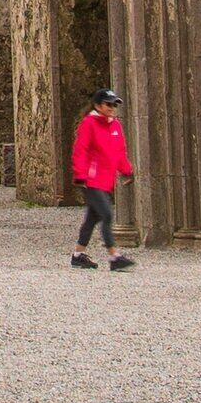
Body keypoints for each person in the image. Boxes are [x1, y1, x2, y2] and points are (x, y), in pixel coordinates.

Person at [67, 88, 134, 271]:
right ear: (98, 105)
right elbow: (81, 150)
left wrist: (126, 170)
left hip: (105, 180)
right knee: (107, 214)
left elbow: (119, 152)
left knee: (92, 218)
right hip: (90, 179)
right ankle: (115, 257)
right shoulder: (89, 124)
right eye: (108, 104)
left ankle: (78, 255)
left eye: (114, 104)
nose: (112, 107)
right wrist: (80, 174)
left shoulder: (115, 126)